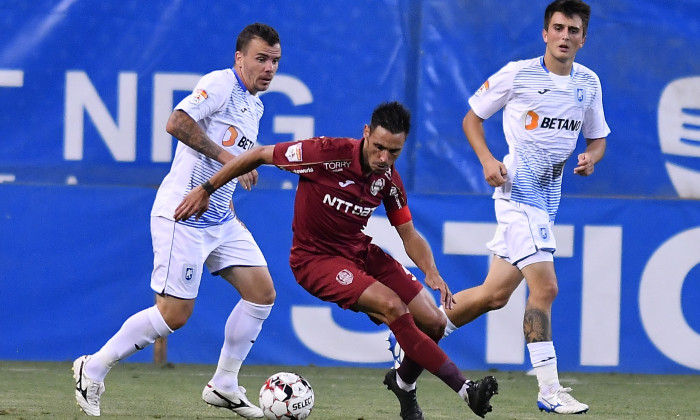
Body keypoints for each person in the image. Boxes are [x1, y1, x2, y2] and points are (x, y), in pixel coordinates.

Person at [174, 101, 499, 420]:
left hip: (359, 252)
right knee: (392, 306)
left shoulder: (388, 179)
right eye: (379, 147)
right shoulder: (325, 153)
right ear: (366, 133)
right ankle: (465, 389)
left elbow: (409, 234)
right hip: (315, 261)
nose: (384, 158)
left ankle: (403, 384)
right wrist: (207, 189)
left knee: (435, 322)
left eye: (394, 152)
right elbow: (259, 154)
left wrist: (432, 271)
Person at [390, 0, 607, 415]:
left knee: (492, 295)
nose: (564, 36)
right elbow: (471, 118)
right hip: (518, 195)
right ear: (545, 33)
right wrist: (488, 160)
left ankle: (410, 352)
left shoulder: (588, 83)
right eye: (558, 28)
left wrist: (592, 157)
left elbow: (597, 138)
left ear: (583, 38)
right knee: (545, 288)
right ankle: (549, 389)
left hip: (548, 201)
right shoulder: (518, 74)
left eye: (573, 30)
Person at [72, 23, 282, 418]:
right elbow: (177, 122)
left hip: (219, 218)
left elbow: (224, 165)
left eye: (275, 61)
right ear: (239, 58)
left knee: (261, 293)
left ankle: (224, 384)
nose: (269, 68)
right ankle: (94, 367)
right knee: (174, 315)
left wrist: (227, 200)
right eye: (261, 59)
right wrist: (230, 160)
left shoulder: (255, 105)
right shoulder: (220, 83)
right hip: (182, 214)